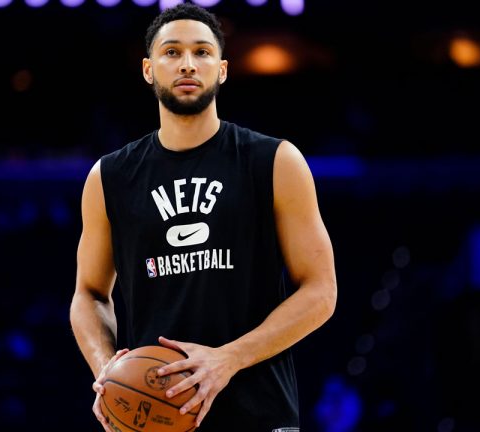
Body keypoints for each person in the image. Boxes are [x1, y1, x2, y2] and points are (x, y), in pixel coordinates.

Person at [69, 2, 337, 431]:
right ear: (148, 69)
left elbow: (321, 293)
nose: (188, 64)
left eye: (202, 52)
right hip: (154, 415)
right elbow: (88, 294)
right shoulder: (110, 176)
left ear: (223, 69)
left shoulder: (273, 161)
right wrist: (107, 370)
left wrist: (227, 358)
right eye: (172, 52)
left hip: (260, 413)